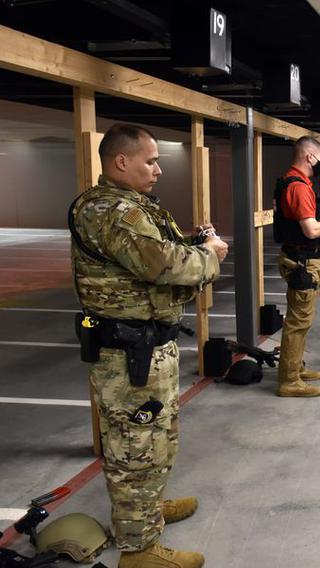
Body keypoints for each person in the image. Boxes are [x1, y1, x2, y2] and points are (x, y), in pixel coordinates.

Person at [70, 123, 227, 568]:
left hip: (147, 347)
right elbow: (163, 266)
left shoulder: (130, 207)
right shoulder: (113, 211)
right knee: (136, 447)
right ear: (121, 161)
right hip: (128, 354)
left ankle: (147, 511)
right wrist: (210, 255)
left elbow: (158, 252)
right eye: (150, 160)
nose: (158, 169)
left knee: (157, 439)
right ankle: (138, 551)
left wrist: (194, 244)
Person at [274, 136, 320, 398]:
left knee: (301, 319)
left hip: (298, 257)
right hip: (302, 261)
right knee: (298, 322)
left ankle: (296, 368)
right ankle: (289, 380)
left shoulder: (293, 182)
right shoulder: (298, 187)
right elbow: (311, 229)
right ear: (310, 157)